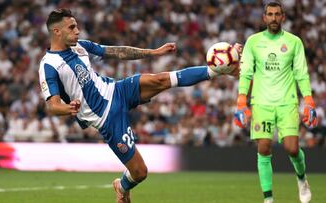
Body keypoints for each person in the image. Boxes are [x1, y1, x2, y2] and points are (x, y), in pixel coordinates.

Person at [39, 8, 240, 203]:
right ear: (56, 31)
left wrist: (153, 52)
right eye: (72, 27)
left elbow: (117, 52)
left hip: (117, 90)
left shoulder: (80, 45)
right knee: (140, 172)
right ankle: (122, 186)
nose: (77, 31)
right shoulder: (49, 65)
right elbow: (53, 106)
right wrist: (69, 108)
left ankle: (218, 71)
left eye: (76, 26)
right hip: (106, 118)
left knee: (161, 79)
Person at [233, 1, 317, 203]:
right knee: (263, 148)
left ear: (283, 17)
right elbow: (246, 73)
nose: (273, 18)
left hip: (287, 102)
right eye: (269, 14)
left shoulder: (294, 42)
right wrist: (241, 101)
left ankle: (302, 178)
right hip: (261, 104)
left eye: (277, 14)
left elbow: (301, 74)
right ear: (264, 17)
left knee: (292, 148)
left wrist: (309, 101)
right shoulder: (253, 42)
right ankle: (268, 199)